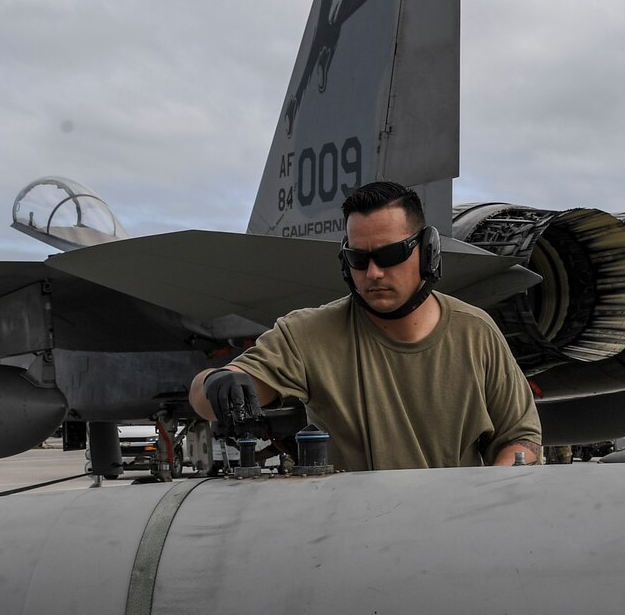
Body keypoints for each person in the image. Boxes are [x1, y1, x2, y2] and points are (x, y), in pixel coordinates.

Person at [190, 180, 541, 470]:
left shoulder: (476, 334)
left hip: (452, 531)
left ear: (427, 250)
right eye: (359, 259)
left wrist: (495, 494)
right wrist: (218, 383)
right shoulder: (308, 335)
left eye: (390, 255)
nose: (373, 273)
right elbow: (211, 393)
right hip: (351, 536)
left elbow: (520, 438)